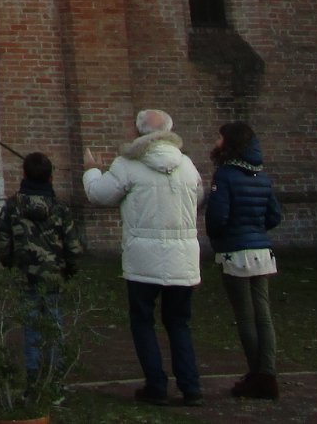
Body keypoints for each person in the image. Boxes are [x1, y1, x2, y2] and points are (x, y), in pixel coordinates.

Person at [83, 108, 204, 406]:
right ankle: (191, 387)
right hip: (183, 257)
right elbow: (198, 197)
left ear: (139, 133)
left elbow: (99, 195)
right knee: (179, 323)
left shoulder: (128, 164)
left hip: (143, 259)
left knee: (143, 321)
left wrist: (91, 170)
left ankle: (156, 385)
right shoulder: (187, 165)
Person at [207, 121, 283, 400]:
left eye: (219, 138)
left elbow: (218, 216)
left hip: (235, 251)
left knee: (245, 315)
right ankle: (268, 371)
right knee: (263, 314)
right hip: (261, 249)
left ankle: (257, 375)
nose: (216, 143)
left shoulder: (225, 175)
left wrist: (219, 235)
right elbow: (273, 215)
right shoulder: (260, 175)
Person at [0, 150, 83, 379]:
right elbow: (73, 246)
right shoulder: (60, 209)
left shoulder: (12, 206)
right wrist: (70, 270)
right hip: (54, 275)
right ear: (51, 177)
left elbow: (3, 241)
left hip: (26, 275)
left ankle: (34, 375)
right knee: (54, 324)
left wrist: (10, 264)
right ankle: (55, 374)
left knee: (31, 327)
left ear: (24, 173)